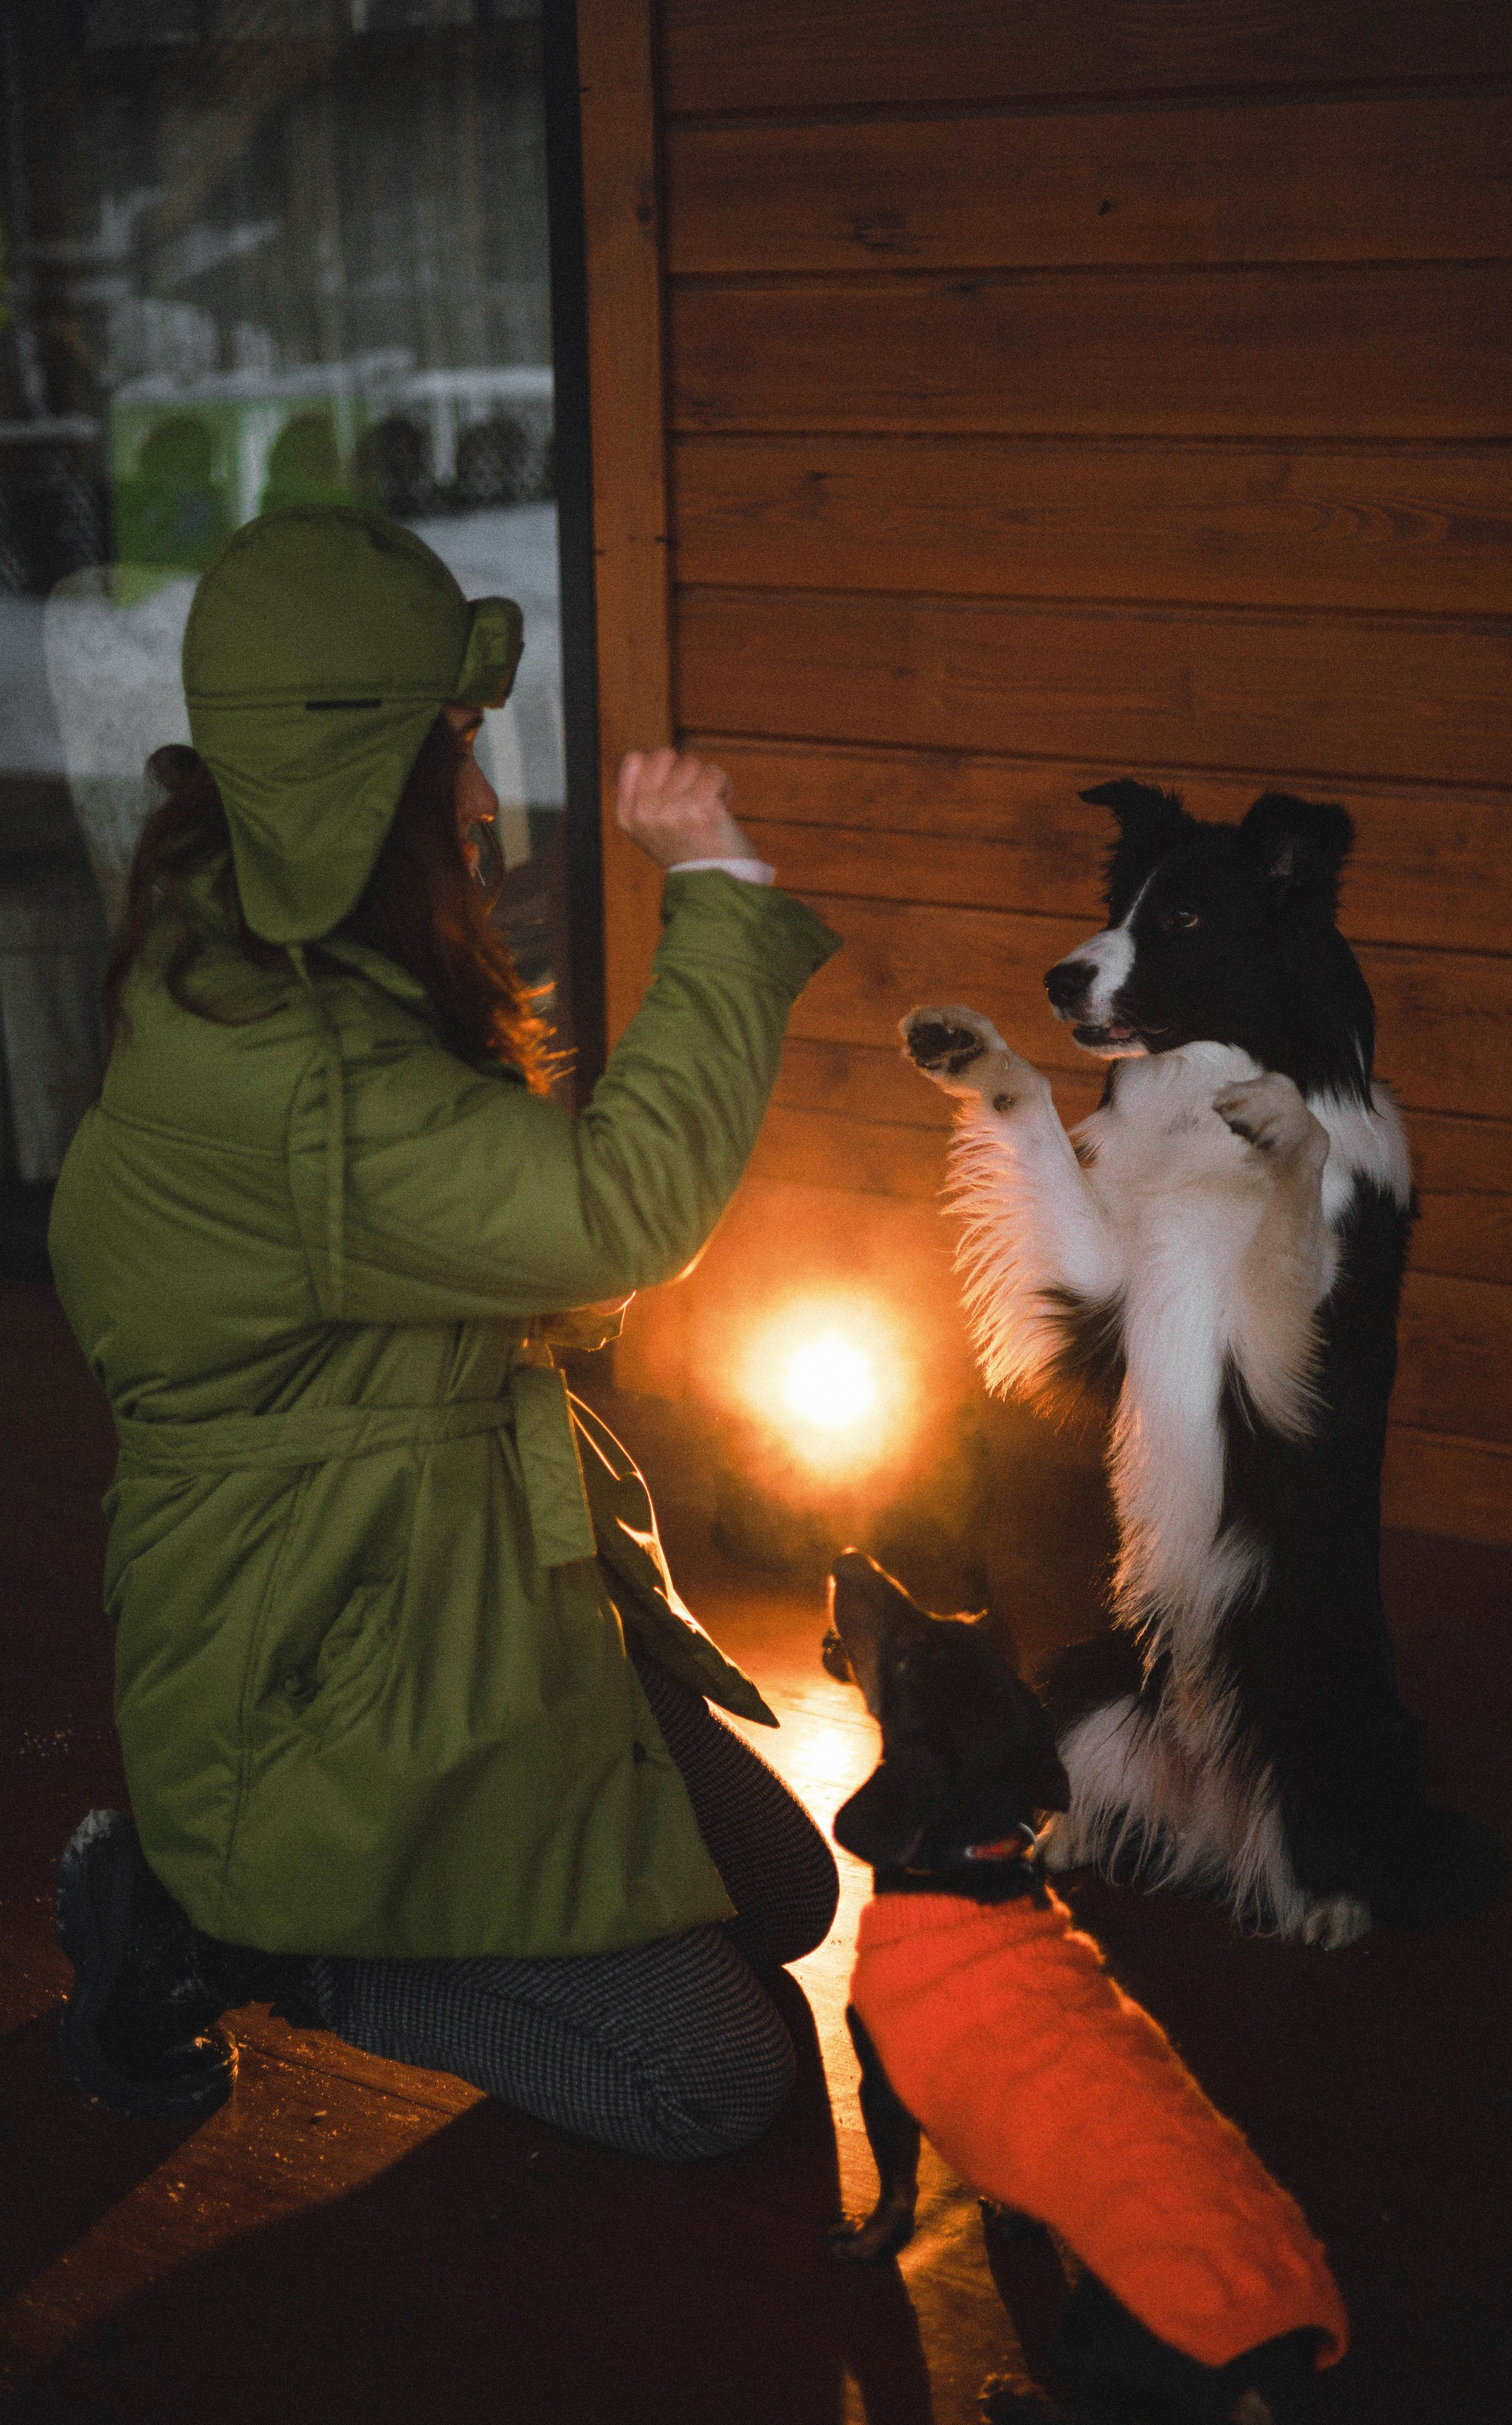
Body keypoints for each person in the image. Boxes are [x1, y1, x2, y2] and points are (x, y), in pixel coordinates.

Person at [47, 505, 842, 2158]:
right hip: (341, 1668)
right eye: (451, 754)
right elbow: (615, 1218)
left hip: (455, 1583)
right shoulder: (295, 1068)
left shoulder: (260, 932)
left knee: (788, 1894)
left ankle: (346, 1897)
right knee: (725, 2085)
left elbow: (533, 1252)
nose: (480, 800)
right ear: (345, 772)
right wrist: (719, 889)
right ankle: (262, 1941)